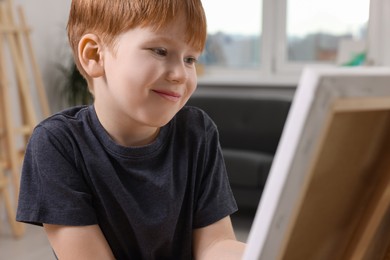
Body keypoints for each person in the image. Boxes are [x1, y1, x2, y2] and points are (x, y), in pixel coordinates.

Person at [16, 0, 246, 259]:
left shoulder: (197, 133)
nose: (181, 74)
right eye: (160, 50)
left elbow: (215, 244)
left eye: (190, 58)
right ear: (94, 55)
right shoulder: (57, 144)